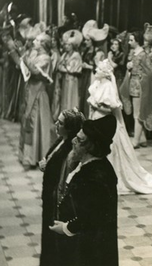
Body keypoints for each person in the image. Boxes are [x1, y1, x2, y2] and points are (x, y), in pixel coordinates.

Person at [87, 59, 152, 194]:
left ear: (105, 73)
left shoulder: (108, 87)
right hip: (96, 122)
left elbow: (110, 108)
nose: (96, 71)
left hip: (105, 124)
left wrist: (94, 105)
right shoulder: (97, 84)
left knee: (109, 152)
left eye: (99, 70)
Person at [49, 114, 119, 266]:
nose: (73, 141)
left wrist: (66, 228)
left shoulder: (92, 177)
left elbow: (90, 218)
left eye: (79, 140)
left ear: (91, 147)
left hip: (90, 251)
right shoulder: (98, 167)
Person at [39, 108, 84, 266]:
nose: (56, 124)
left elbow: (65, 180)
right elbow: (52, 158)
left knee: (58, 247)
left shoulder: (70, 151)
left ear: (70, 128)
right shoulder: (61, 140)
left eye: (61, 123)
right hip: (50, 199)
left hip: (57, 203)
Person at [19, 32, 54, 168]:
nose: (34, 42)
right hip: (30, 92)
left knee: (35, 123)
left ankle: (37, 157)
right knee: (28, 122)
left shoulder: (46, 58)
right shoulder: (35, 55)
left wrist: (23, 54)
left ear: (43, 44)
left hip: (39, 95)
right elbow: (25, 66)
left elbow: (35, 71)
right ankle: (28, 156)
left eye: (38, 41)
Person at [79, 20, 107, 117]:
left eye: (88, 40)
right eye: (85, 40)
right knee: (83, 95)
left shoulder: (98, 53)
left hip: (93, 77)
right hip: (85, 76)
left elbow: (100, 68)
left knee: (90, 95)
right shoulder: (86, 51)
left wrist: (89, 66)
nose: (86, 42)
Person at [57, 30, 83, 114]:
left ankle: (72, 115)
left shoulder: (76, 55)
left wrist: (65, 67)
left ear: (72, 46)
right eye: (65, 44)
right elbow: (59, 66)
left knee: (71, 97)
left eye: (68, 45)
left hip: (72, 80)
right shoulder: (64, 54)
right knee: (64, 97)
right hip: (65, 79)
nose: (66, 46)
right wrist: (64, 67)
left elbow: (73, 69)